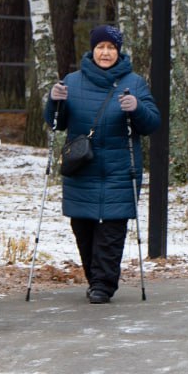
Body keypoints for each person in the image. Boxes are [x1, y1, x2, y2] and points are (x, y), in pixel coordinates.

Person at [44, 25, 161, 304]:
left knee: (111, 231)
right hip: (81, 168)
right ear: (92, 50)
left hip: (120, 169)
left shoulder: (134, 82)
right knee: (83, 230)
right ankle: (94, 278)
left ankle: (103, 285)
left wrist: (138, 107)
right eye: (100, 47)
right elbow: (56, 124)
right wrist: (53, 102)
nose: (105, 52)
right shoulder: (71, 82)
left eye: (111, 48)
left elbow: (152, 124)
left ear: (118, 52)